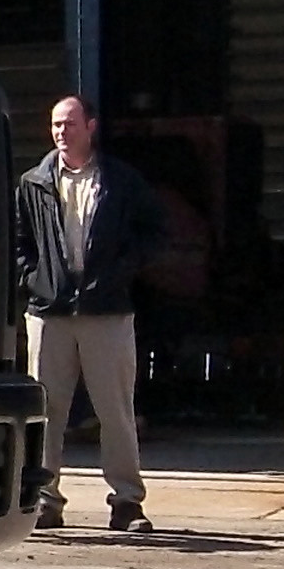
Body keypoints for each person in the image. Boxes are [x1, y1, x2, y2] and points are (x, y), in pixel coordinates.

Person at [15, 96, 169, 531]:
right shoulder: (33, 183)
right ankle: (45, 500)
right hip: (50, 314)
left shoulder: (120, 181)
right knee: (46, 411)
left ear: (91, 126)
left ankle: (126, 502)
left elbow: (156, 233)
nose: (61, 131)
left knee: (115, 411)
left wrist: (120, 273)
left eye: (69, 123)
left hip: (107, 314)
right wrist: (36, 280)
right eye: (55, 125)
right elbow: (19, 241)